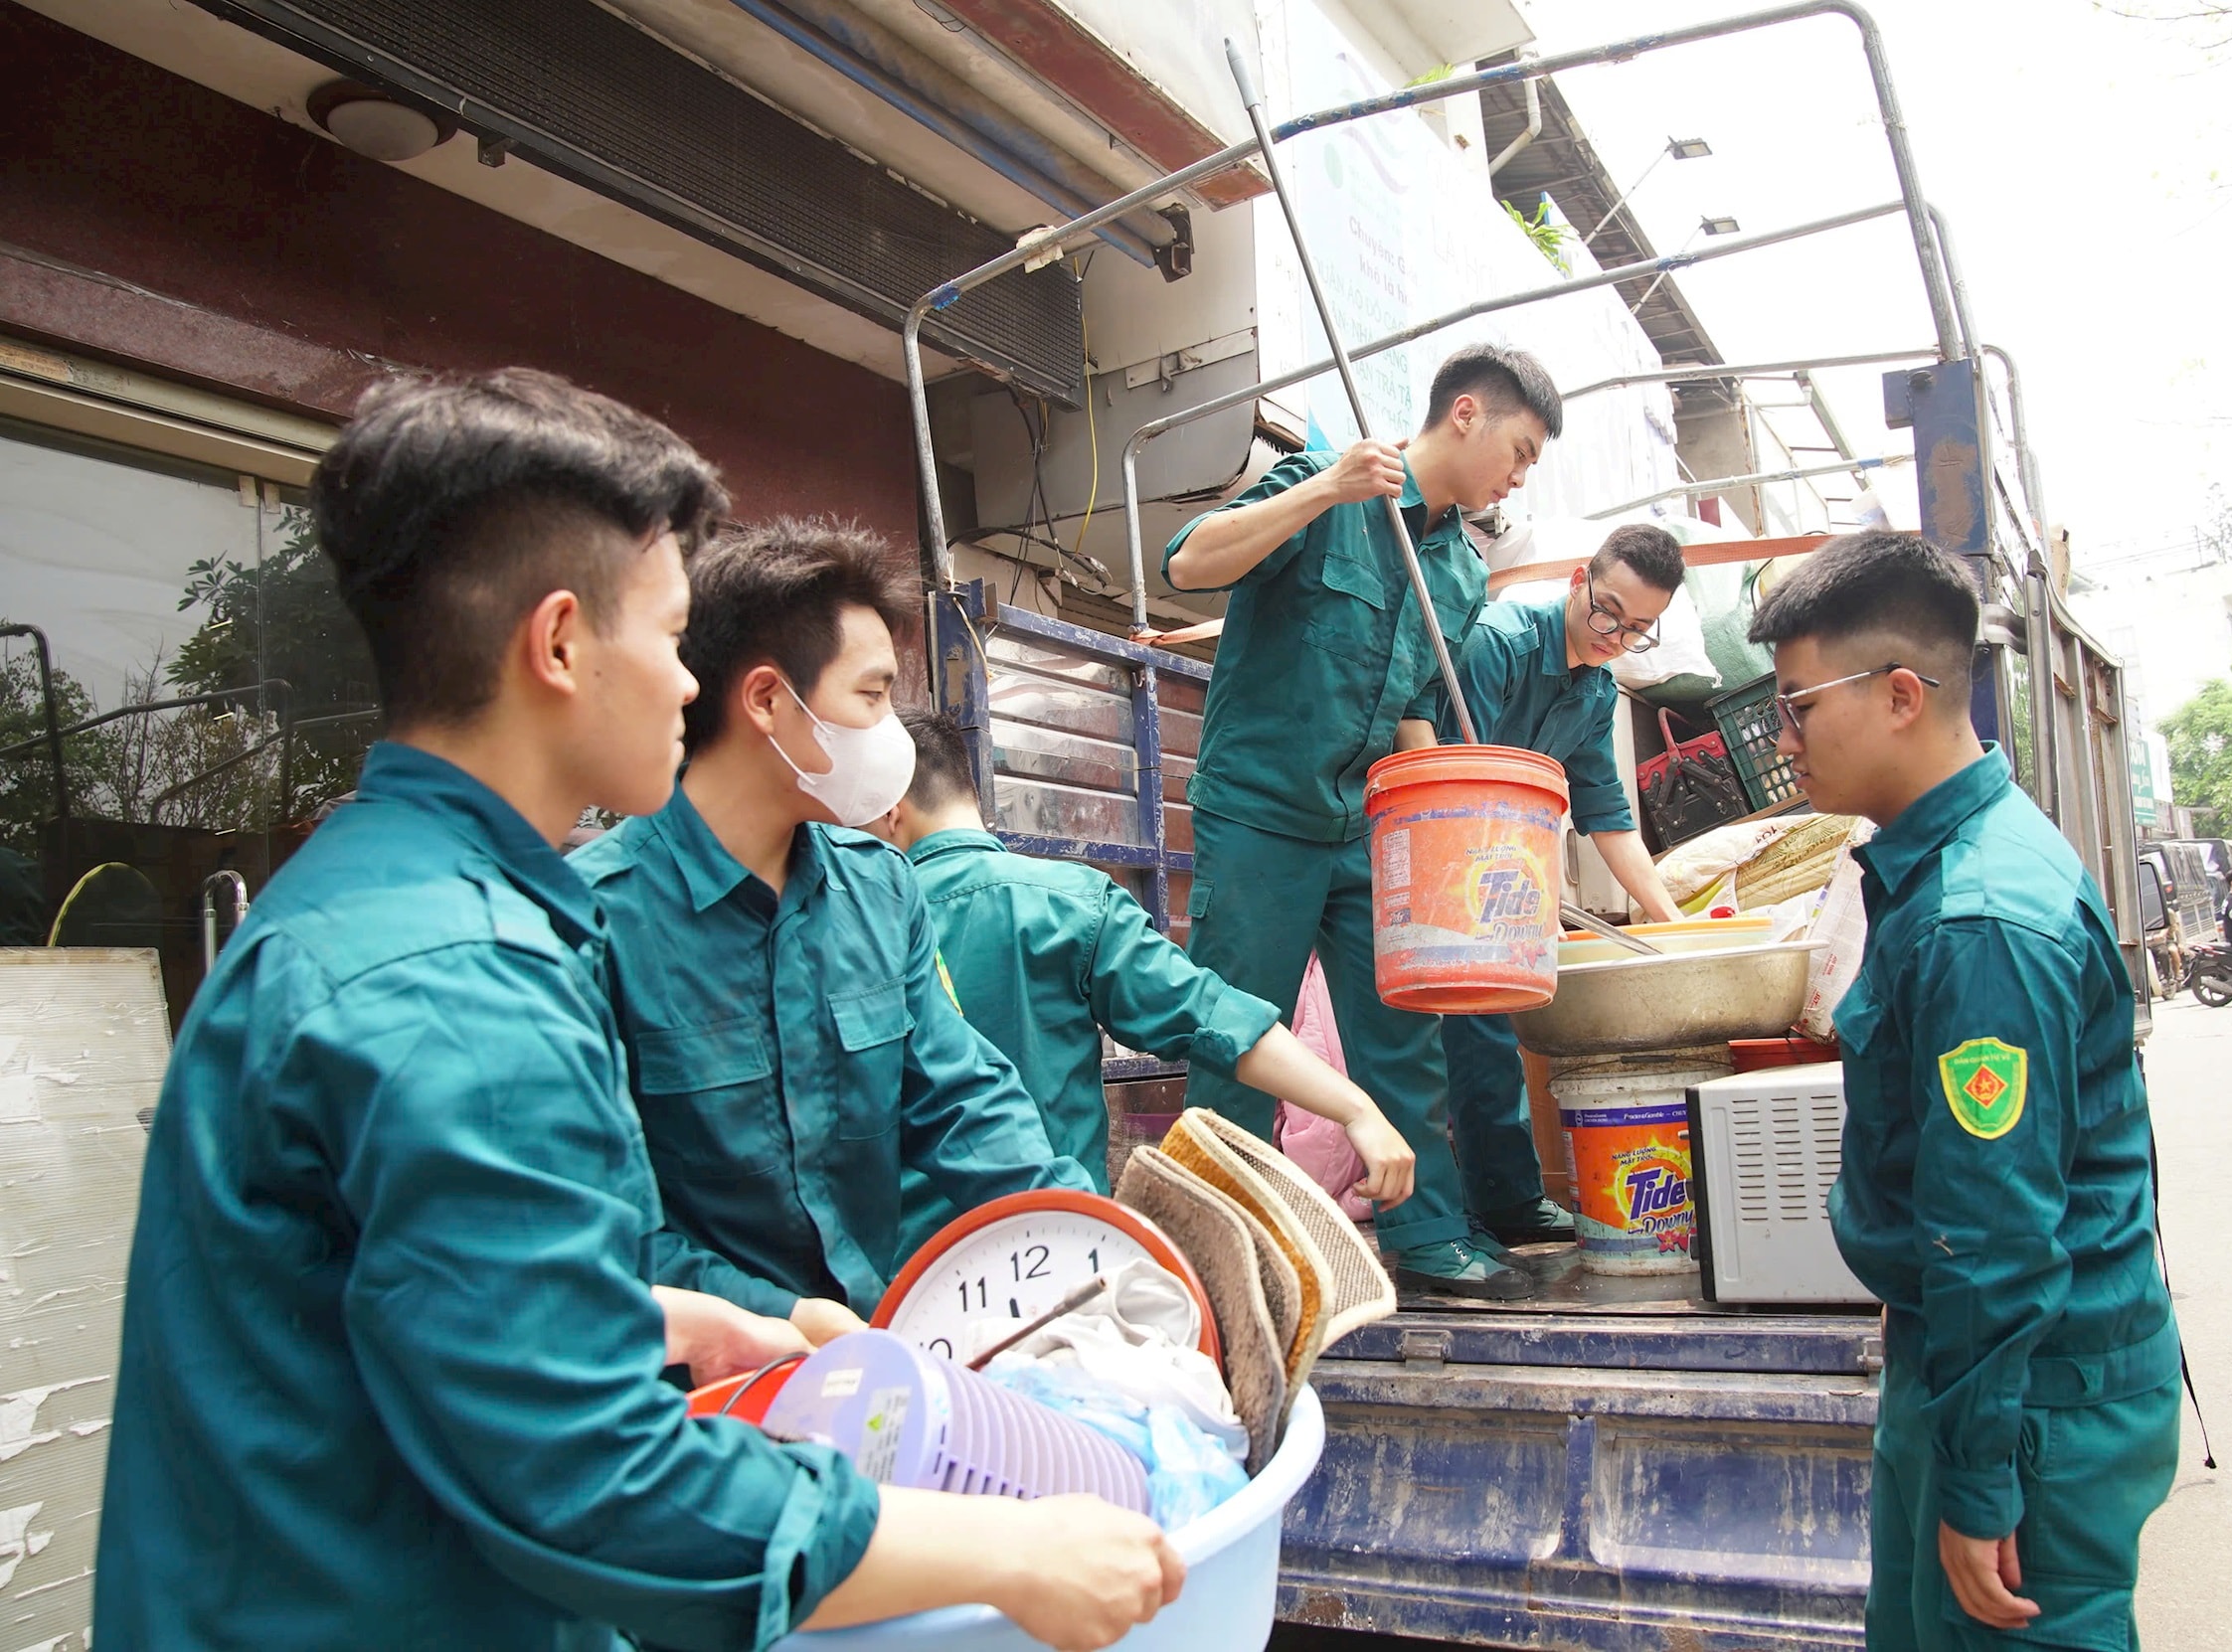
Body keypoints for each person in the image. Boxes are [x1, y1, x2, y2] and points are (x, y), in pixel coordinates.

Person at [95, 370, 1181, 1651]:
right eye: (668, 638)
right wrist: (1010, 1551)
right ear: (559, 644)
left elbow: (402, 1295)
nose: (685, 684)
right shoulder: (459, 979)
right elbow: (592, 1477)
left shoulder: (380, 902)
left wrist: (657, 1317)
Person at [1749, 532, 2179, 1651]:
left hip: (2028, 1397)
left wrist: (1982, 1478)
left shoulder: (1979, 921)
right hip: (1972, 1369)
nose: (1784, 740)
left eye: (1798, 707)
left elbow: (1992, 1231)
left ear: (1900, 695)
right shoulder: (1940, 867)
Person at [574, 518, 1089, 1326]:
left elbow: (961, 1100)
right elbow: (597, 1228)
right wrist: (776, 1319)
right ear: (768, 701)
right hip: (700, 1380)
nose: (891, 731)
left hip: (873, 1348)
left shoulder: (879, 890)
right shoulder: (590, 921)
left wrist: (1083, 1235)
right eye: (872, 696)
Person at [1161, 343, 1563, 1299]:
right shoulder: (1330, 483)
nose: (1519, 475)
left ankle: (1428, 1237)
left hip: (1366, 828)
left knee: (1401, 1034)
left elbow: (1415, 707)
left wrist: (1452, 812)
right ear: (1465, 413)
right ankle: (1225, 1249)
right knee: (1238, 1035)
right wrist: (1323, 490)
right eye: (1520, 450)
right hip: (1259, 814)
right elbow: (1188, 562)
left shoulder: (1459, 570)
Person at [870, 708, 1417, 1244]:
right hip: (1067, 1250)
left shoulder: (860, 924)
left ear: (891, 811)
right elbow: (1211, 1015)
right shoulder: (1069, 904)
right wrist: (1356, 1109)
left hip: (903, 1271)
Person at [1434, 523, 1691, 1247]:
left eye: (1638, 628)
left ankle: (1508, 1205)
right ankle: (1445, 1219)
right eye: (1609, 612)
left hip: (1493, 867)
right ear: (1581, 580)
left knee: (1490, 1030)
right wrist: (1524, 892)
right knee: (1443, 1036)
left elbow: (1608, 817)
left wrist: (1670, 924)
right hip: (1439, 850)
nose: (1617, 635)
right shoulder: (1501, 642)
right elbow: (1454, 773)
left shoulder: (1597, 691)